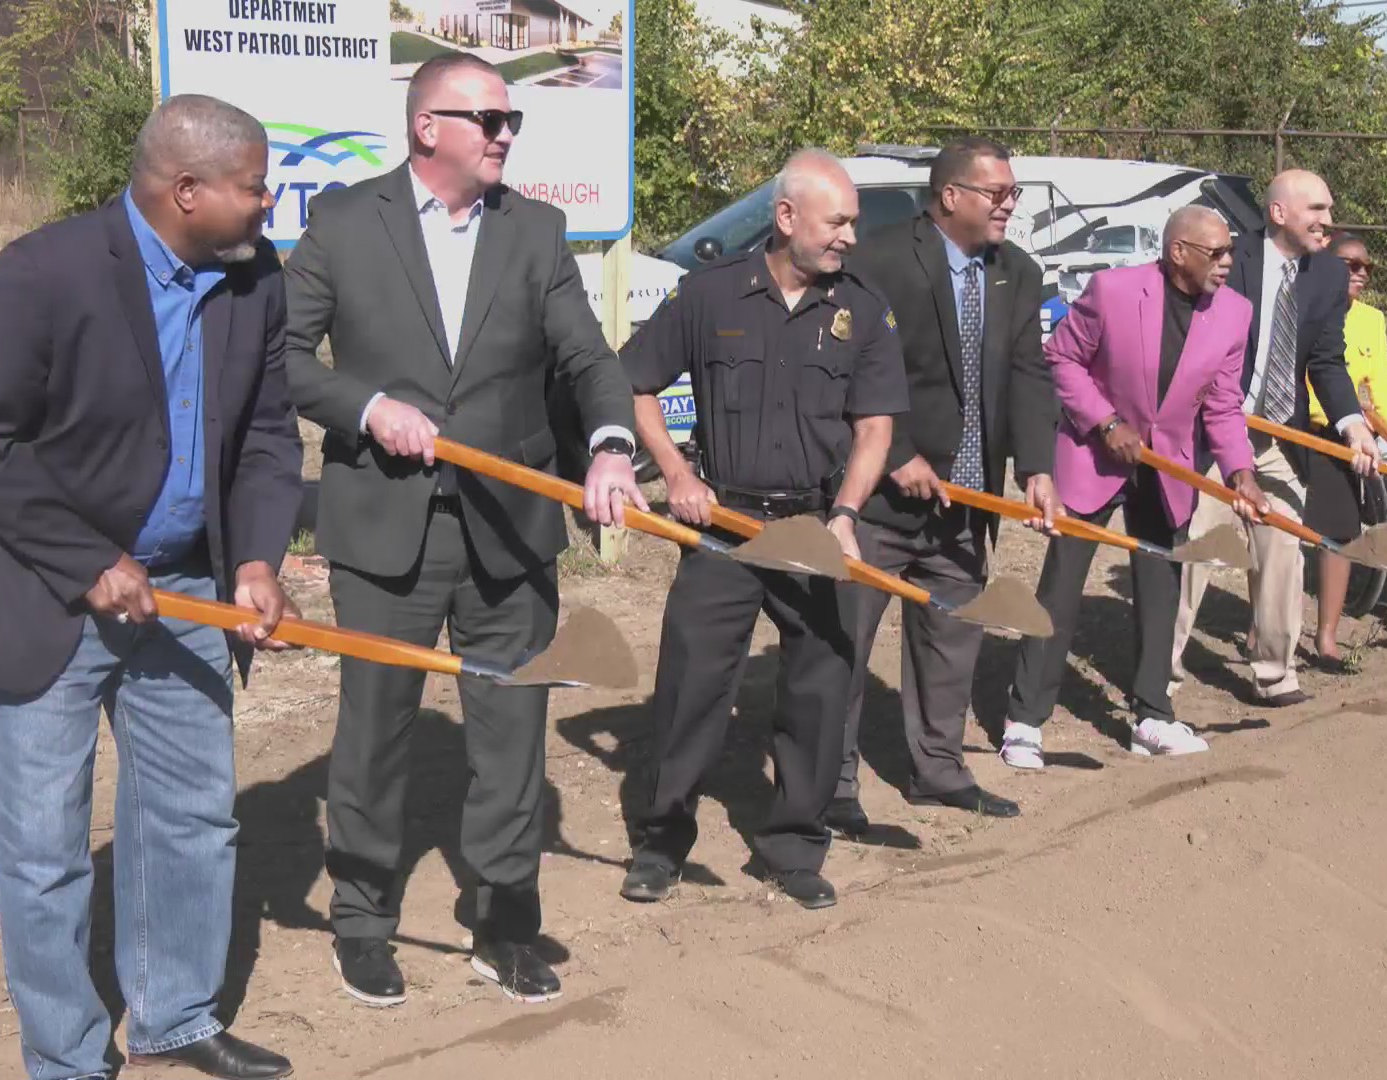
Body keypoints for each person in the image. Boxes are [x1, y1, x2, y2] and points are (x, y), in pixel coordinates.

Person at [0, 94, 301, 1080]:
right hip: (43, 596)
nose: (270, 204)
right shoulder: (45, 272)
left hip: (184, 594)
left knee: (191, 819)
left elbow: (267, 436)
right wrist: (86, 559)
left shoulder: (256, 280)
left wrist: (258, 557)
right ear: (187, 192)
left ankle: (175, 1017)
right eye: (256, 187)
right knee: (46, 848)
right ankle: (67, 1056)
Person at [282, 53, 642, 1007]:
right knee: (373, 731)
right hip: (381, 525)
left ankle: (503, 926)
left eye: (512, 120)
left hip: (509, 529)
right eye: (488, 118)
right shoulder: (344, 223)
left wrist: (609, 446)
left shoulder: (537, 232)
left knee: (513, 731)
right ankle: (362, 920)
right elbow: (284, 360)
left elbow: (588, 358)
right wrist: (365, 409)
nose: (505, 134)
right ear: (426, 126)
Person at [616, 148, 910, 909]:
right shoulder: (709, 296)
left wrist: (845, 514)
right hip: (725, 525)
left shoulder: (864, 309)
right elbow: (635, 383)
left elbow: (875, 428)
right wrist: (677, 476)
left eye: (853, 222)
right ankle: (661, 843)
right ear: (786, 218)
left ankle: (793, 846)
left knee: (818, 688)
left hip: (816, 525)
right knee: (690, 688)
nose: (850, 235)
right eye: (836, 220)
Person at [822, 135, 1058, 825]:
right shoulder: (879, 260)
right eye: (998, 193)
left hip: (968, 497)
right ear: (951, 196)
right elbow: (844, 370)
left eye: (1013, 192)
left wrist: (1038, 466)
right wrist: (894, 457)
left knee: (952, 641)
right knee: (844, 643)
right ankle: (831, 786)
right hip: (877, 499)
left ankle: (938, 768)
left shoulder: (1018, 271)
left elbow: (1026, 374)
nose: (1010, 205)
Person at [998, 206, 1269, 758]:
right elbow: (1063, 360)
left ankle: (1152, 715)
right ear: (1178, 253)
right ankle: (1024, 720)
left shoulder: (1235, 313)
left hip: (1168, 463)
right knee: (1062, 586)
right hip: (1093, 455)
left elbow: (1222, 404)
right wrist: (1106, 422)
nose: (1227, 264)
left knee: (1160, 584)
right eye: (1215, 253)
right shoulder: (1114, 291)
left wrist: (1242, 473)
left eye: (1230, 252)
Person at [1170, 169, 1383, 707]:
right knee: (1198, 548)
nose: (1328, 221)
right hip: (1214, 434)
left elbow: (1326, 362)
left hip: (1278, 434)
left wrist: (1351, 423)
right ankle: (1160, 676)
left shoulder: (1328, 277)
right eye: (1317, 210)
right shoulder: (1228, 259)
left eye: (1330, 210)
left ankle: (1275, 673)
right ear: (1279, 213)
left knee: (1283, 551)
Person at [1299, 231, 1387, 668]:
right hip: (1299, 429)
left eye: (1367, 266)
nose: (1361, 273)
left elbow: (1381, 383)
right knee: (1282, 537)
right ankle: (1267, 630)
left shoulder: (1372, 320)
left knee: (1341, 532)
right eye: (1351, 265)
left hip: (1346, 440)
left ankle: (1326, 639)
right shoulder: (1302, 306)